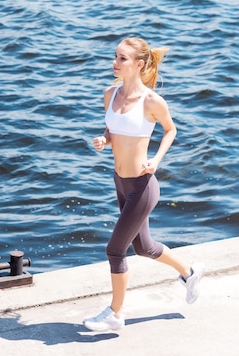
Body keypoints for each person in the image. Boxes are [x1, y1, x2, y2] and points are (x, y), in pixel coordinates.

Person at [83, 37, 204, 332]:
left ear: (138, 64)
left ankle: (115, 312)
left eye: (122, 59)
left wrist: (157, 160)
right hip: (120, 182)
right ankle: (190, 272)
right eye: (115, 56)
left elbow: (170, 130)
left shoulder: (151, 101)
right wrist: (105, 139)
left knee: (115, 250)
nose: (115, 62)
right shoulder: (110, 94)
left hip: (142, 185)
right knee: (144, 247)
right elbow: (113, 129)